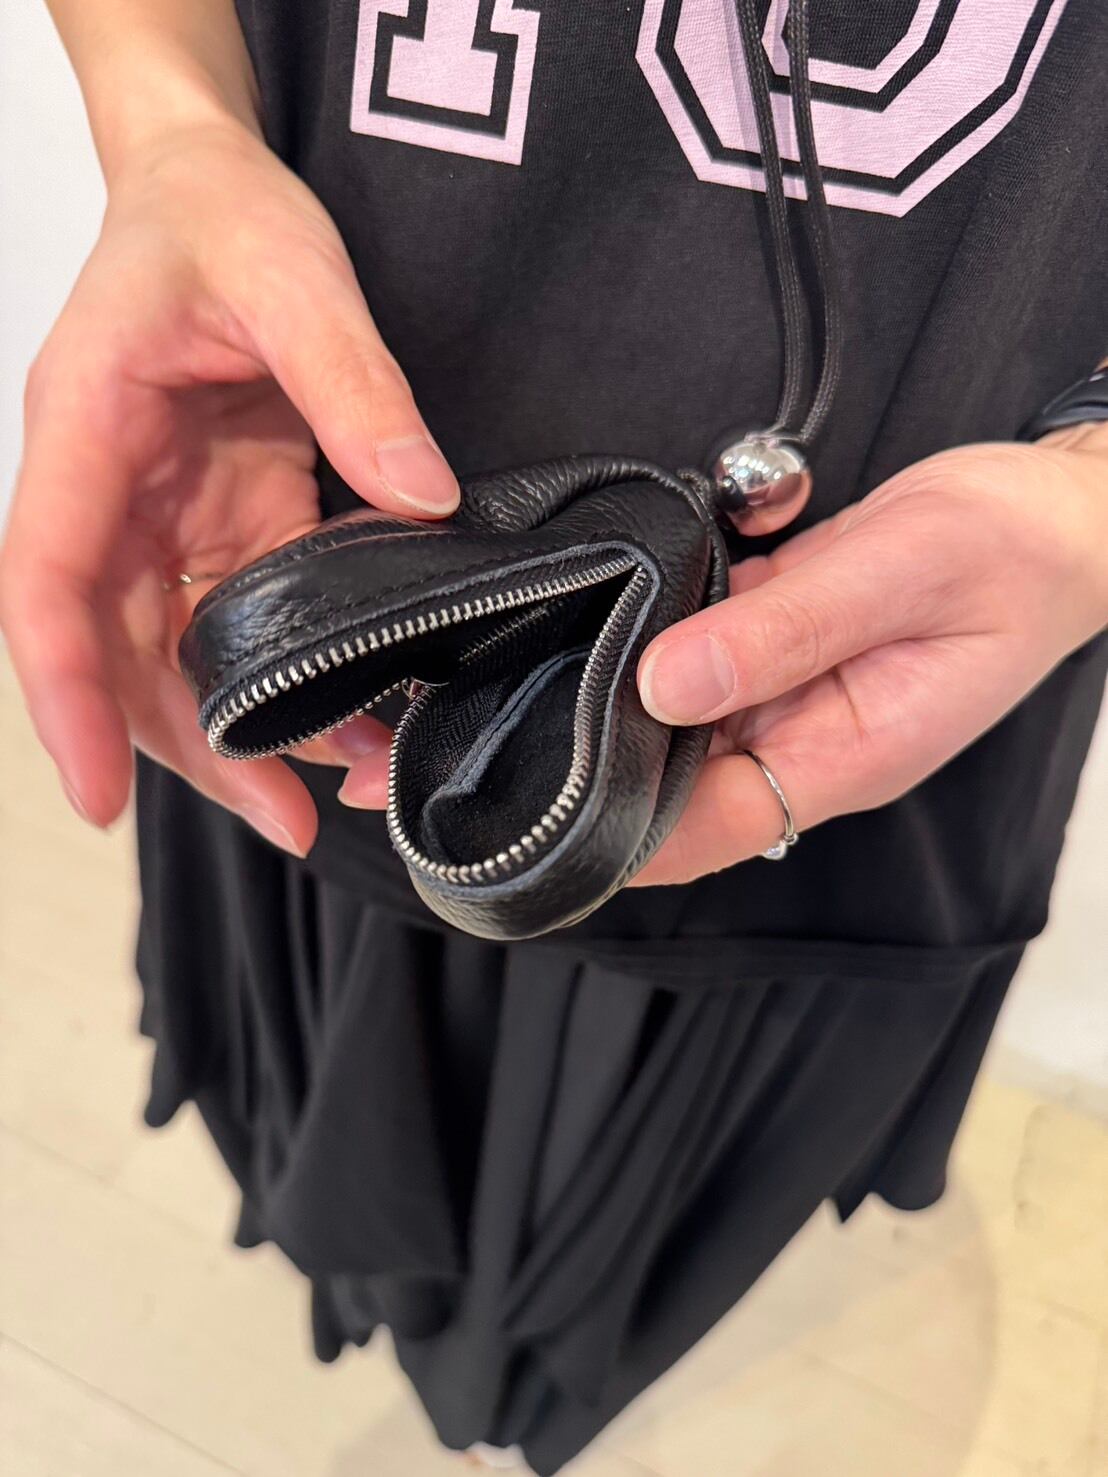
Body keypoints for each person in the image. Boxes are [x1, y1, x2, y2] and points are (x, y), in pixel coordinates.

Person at [2, 1, 1106, 1472]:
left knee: (623, 1262)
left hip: (868, 724)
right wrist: (170, 127)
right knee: (320, 1135)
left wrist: (1096, 490)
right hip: (325, 621)